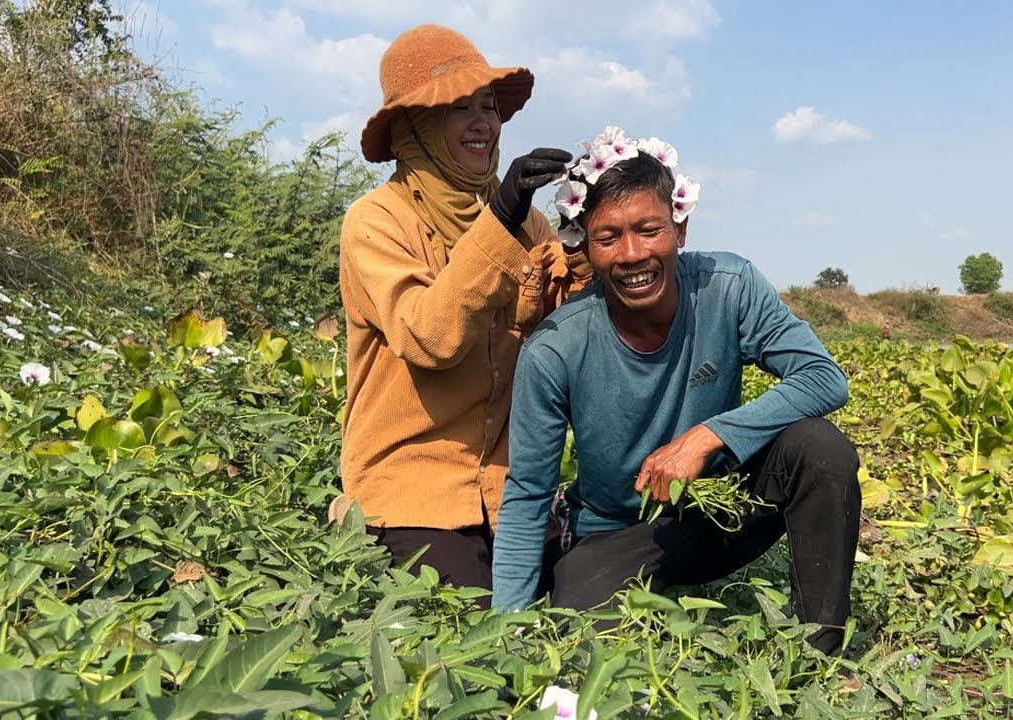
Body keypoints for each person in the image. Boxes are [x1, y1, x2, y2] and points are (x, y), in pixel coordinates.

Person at [492, 131, 861, 656]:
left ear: (679, 228)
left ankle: (820, 653)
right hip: (618, 531)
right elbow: (528, 492)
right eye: (608, 237)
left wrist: (707, 436)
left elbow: (824, 378)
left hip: (720, 510)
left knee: (819, 448)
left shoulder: (728, 286)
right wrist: (507, 627)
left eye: (650, 229)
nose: (632, 254)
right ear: (584, 244)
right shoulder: (555, 348)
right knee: (580, 636)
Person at [333, 25, 589, 592]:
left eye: (489, 106)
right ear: (416, 126)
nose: (483, 123)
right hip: (410, 488)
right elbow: (429, 337)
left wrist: (591, 240)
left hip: (508, 487)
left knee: (587, 597)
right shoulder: (377, 221)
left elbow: (568, 323)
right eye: (458, 108)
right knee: (469, 635)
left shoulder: (524, 219)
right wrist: (497, 222)